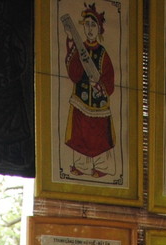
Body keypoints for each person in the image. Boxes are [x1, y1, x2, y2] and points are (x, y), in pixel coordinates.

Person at [63, 5, 116, 179]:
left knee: (99, 135)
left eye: (93, 25)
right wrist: (71, 40)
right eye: (87, 25)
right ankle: (81, 165)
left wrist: (99, 84)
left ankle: (101, 166)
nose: (90, 29)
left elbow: (110, 80)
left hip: (99, 103)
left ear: (99, 28)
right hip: (82, 100)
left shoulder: (103, 53)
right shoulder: (80, 49)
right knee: (81, 133)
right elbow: (73, 73)